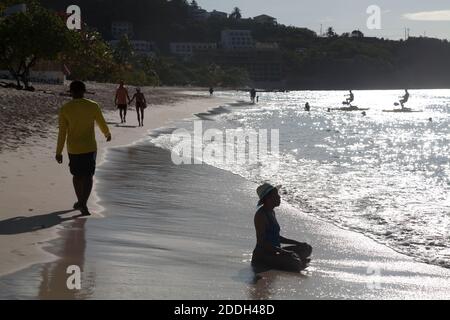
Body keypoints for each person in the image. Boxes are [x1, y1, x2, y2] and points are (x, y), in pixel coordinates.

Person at [56, 81, 111, 216]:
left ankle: (80, 201)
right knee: (88, 176)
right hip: (89, 147)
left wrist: (58, 152)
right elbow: (101, 122)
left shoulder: (65, 108)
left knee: (77, 176)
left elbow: (62, 132)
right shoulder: (92, 106)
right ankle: (83, 202)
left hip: (73, 148)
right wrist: (107, 133)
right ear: (84, 91)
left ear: (71, 92)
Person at [251, 183, 312, 272]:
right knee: (295, 263)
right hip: (263, 256)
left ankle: (295, 260)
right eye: (276, 195)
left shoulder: (271, 212)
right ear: (268, 199)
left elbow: (277, 237)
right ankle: (295, 261)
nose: (279, 197)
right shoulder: (261, 216)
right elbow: (262, 243)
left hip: (276, 251)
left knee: (306, 248)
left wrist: (298, 243)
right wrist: (285, 252)